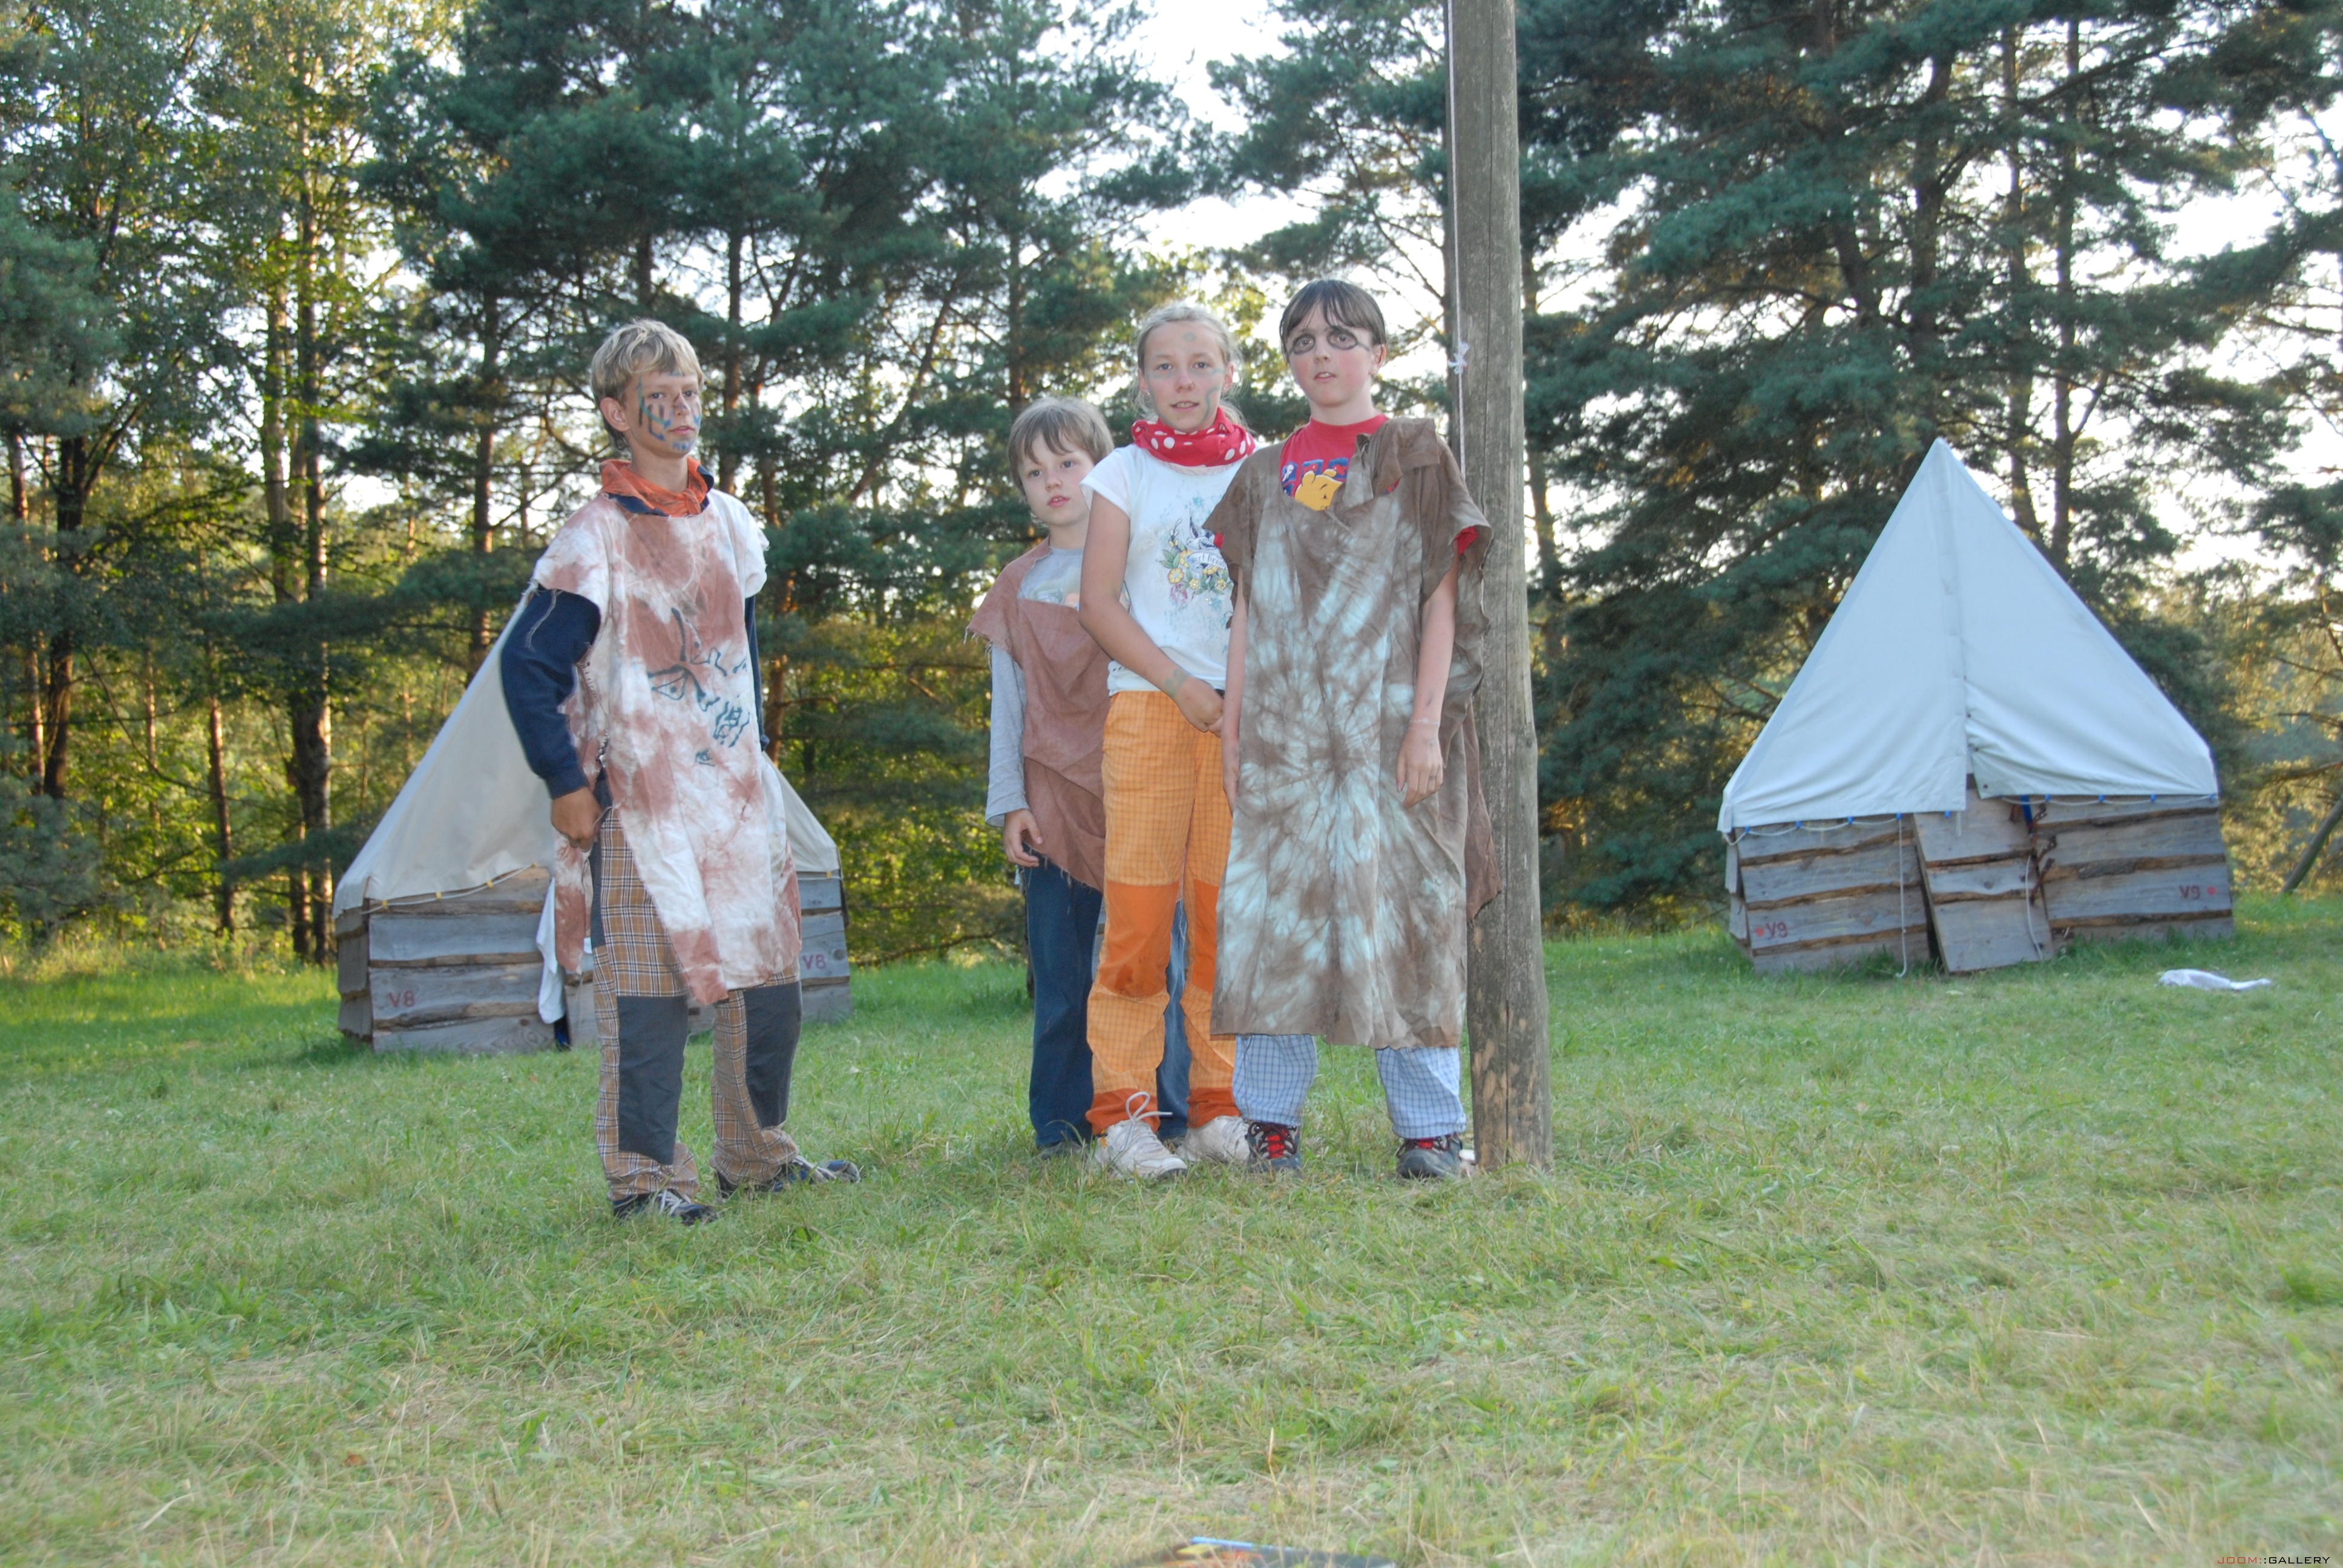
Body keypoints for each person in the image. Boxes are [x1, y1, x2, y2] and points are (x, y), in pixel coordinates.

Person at [501, 318, 858, 1224]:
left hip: (732, 798)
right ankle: (646, 1182)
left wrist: (751, 756)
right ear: (617, 413)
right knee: (650, 1001)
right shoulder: (594, 538)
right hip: (642, 805)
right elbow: (529, 666)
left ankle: (756, 1156)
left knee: (766, 987)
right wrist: (565, 785)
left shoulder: (729, 523)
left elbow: (740, 648)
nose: (679, 407)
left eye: (690, 391)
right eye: (656, 395)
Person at [1208, 279, 1501, 1180]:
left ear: (1377, 353)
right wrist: (1233, 734)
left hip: (1391, 733)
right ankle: (1270, 1130)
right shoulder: (1261, 476)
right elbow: (1247, 612)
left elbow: (1442, 601)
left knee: (1409, 918)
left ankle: (1429, 1133)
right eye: (1302, 341)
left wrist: (1425, 727)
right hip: (1285, 743)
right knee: (1272, 926)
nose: (1321, 355)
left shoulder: (1415, 455)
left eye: (1341, 337)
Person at [1072, 302, 1260, 1178]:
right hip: (1151, 710)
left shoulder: (1264, 469)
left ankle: (1219, 1110)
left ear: (1228, 372)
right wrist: (1181, 684)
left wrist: (1236, 696)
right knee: (1140, 927)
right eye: (1165, 367)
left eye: (1200, 363)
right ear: (1142, 381)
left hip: (1241, 720)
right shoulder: (1121, 472)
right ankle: (1125, 1120)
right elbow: (1097, 603)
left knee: (1225, 922)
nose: (1184, 382)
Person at [969, 396, 1117, 1154]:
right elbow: (1008, 705)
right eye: (1034, 472)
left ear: (1102, 467)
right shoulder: (1018, 584)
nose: (1053, 481)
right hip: (1051, 804)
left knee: (1147, 969)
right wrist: (1010, 803)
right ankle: (1061, 1126)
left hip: (1136, 793)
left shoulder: (1137, 564)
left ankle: (1157, 1112)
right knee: (1063, 980)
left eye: (1067, 463)